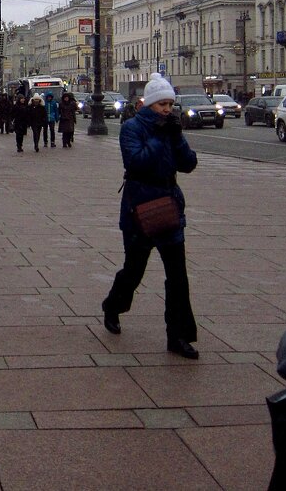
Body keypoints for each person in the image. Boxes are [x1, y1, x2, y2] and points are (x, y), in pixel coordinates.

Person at [101, 73, 200, 359]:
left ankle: (178, 336)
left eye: (170, 104)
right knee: (134, 270)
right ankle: (113, 305)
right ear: (150, 105)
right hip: (140, 211)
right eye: (162, 105)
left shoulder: (169, 128)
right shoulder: (132, 128)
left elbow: (189, 164)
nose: (168, 110)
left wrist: (177, 136)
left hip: (168, 208)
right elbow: (136, 162)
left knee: (178, 277)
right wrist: (159, 135)